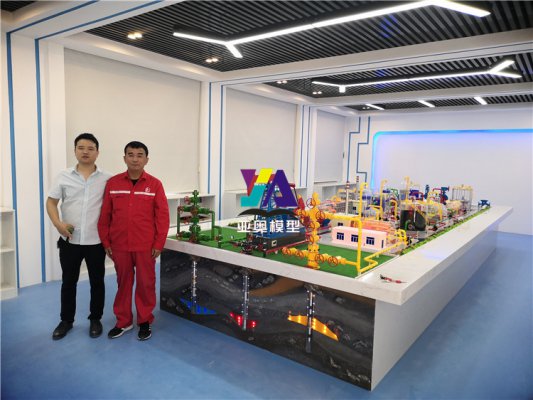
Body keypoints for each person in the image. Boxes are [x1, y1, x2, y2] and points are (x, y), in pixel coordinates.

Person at [98, 141, 169, 341]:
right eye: (130, 155)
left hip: (146, 246)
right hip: (119, 245)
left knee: (146, 283)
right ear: (124, 158)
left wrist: (158, 243)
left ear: (146, 159)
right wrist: (106, 242)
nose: (135, 159)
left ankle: (144, 320)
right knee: (123, 283)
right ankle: (123, 321)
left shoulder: (155, 185)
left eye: (139, 155)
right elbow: (105, 215)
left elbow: (162, 217)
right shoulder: (113, 183)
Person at [47, 133, 111, 340]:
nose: (85, 152)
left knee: (97, 282)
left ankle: (95, 319)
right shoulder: (63, 176)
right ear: (74, 150)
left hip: (96, 241)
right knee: (68, 282)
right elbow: (51, 202)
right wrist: (58, 224)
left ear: (97, 152)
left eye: (90, 148)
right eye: (81, 148)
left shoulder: (107, 179)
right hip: (70, 240)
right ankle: (66, 320)